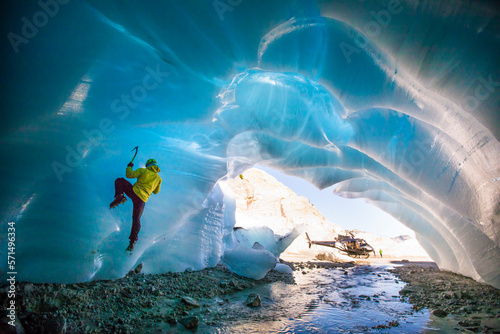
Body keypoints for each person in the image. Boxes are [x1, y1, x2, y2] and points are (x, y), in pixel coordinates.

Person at [110, 158, 162, 252]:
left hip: (134, 192)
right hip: (142, 200)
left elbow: (129, 175)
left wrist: (129, 166)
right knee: (136, 219)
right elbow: (156, 192)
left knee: (120, 180)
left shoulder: (143, 170)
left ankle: (120, 196)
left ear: (147, 165)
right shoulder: (159, 179)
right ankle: (133, 242)